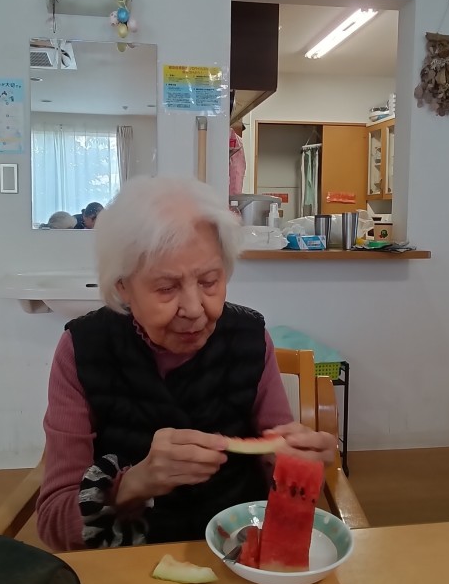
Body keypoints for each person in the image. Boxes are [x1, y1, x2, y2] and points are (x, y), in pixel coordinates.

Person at [36, 176, 335, 551]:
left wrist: (302, 465)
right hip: (132, 561)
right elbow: (54, 524)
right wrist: (135, 484)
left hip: (238, 551)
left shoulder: (250, 337)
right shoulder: (82, 349)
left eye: (209, 281)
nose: (194, 309)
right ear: (122, 286)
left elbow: (279, 468)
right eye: (166, 288)